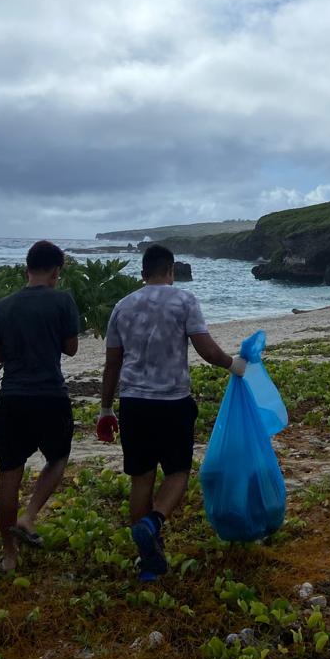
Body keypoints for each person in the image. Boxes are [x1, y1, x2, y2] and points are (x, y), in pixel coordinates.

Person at [95, 243, 246, 582]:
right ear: (171, 270)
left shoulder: (123, 306)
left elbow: (112, 363)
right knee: (177, 472)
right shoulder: (184, 300)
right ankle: (155, 521)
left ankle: (148, 561)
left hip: (134, 403)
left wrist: (105, 407)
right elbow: (206, 349)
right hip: (173, 402)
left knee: (141, 477)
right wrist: (233, 365)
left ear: (143, 273)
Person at [0, 239, 81, 572]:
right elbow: (71, 349)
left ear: (26, 269)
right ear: (56, 272)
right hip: (50, 394)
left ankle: (9, 555)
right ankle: (28, 516)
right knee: (58, 457)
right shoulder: (62, 301)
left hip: (13, 397)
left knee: (9, 475)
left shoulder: (2, 306)